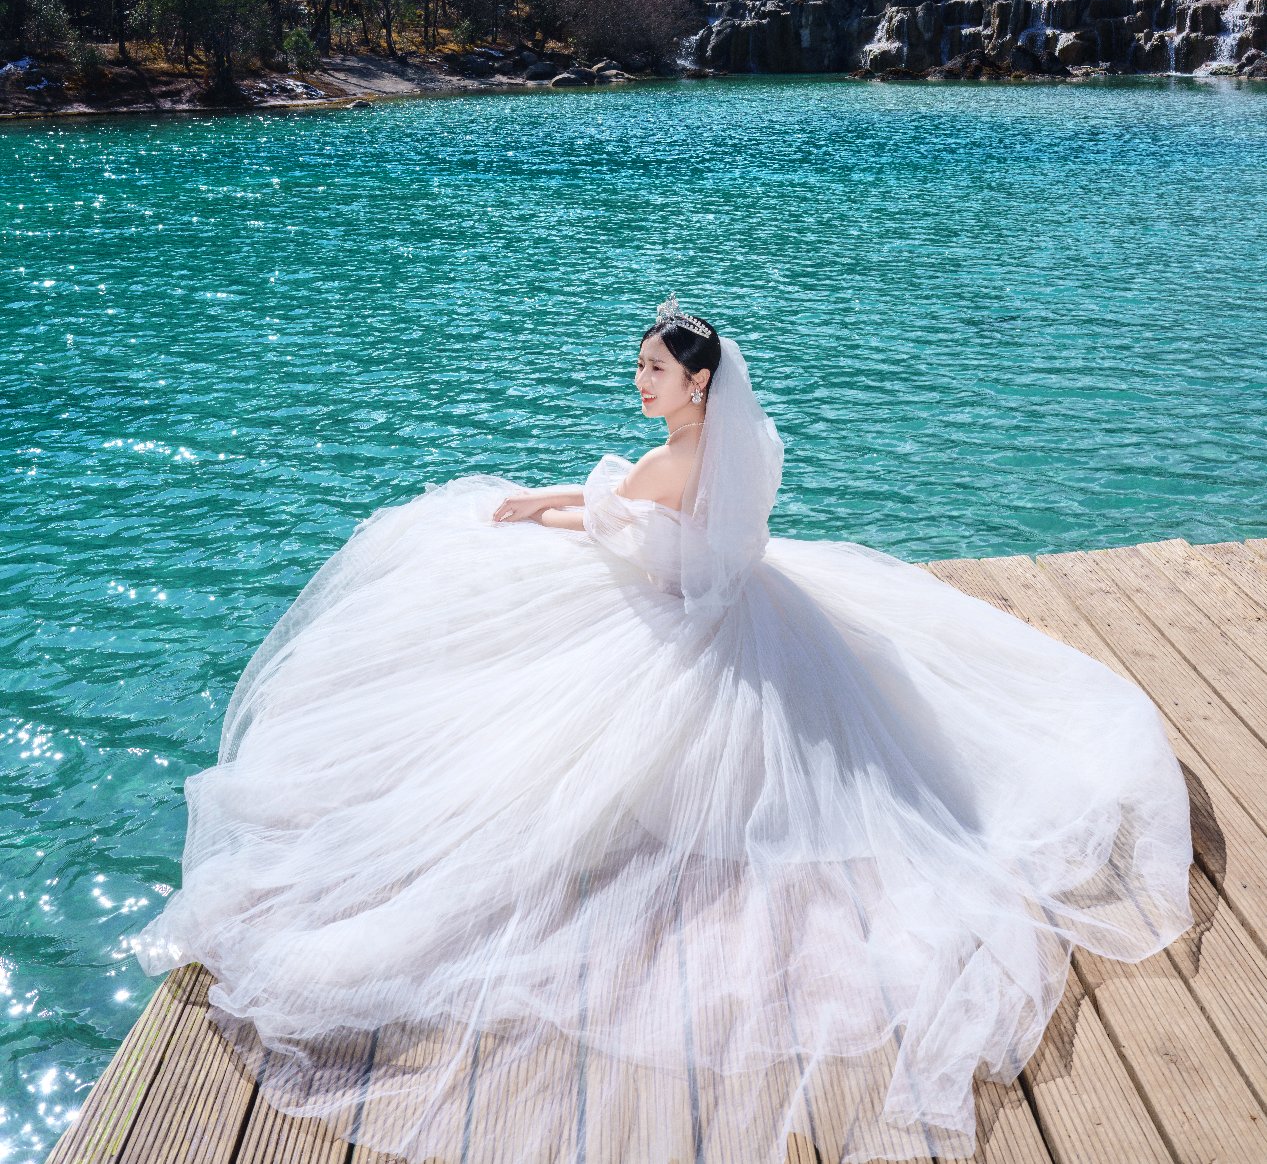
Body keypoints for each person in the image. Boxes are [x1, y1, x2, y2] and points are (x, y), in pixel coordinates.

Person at [130, 296, 1194, 1163]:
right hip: (743, 597)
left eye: (654, 370)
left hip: (681, 612)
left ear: (697, 385)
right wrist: (558, 501)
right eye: (637, 366)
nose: (639, 380)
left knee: (482, 586)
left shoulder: (665, 464)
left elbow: (606, 517)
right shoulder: (741, 446)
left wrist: (530, 505)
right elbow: (646, 509)